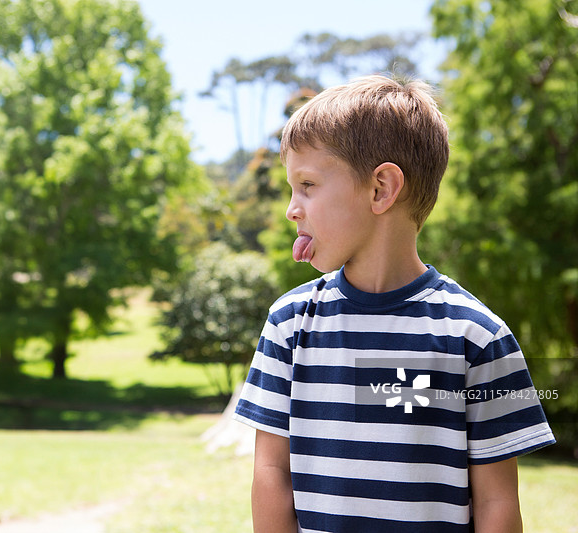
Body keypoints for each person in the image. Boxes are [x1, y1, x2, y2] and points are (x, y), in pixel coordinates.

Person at [233, 75, 555, 533]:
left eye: (307, 185)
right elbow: (271, 472)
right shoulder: (288, 325)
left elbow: (497, 502)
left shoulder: (478, 337)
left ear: (381, 188)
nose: (292, 208)